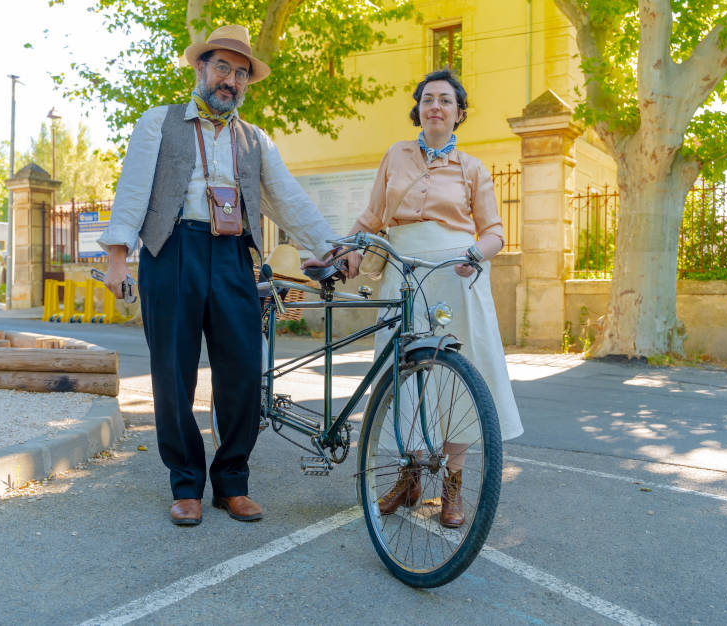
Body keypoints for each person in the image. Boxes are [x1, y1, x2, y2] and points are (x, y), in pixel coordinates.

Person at [98, 25, 341, 527]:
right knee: (172, 374)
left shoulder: (254, 140)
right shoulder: (158, 123)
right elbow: (133, 191)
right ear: (201, 67)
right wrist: (118, 258)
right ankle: (185, 484)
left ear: (247, 83)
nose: (230, 79)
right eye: (223, 67)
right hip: (171, 251)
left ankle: (232, 482)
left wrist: (329, 248)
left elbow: (288, 200)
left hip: (233, 256)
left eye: (241, 73)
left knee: (243, 376)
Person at [346, 68, 524, 528]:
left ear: (459, 113)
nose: (436, 107)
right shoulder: (395, 156)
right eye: (428, 99)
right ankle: (409, 479)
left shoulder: (473, 169)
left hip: (455, 277)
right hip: (402, 276)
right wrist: (341, 248)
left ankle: (452, 486)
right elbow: (370, 217)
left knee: (454, 380)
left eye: (446, 100)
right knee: (403, 378)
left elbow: (495, 233)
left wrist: (474, 254)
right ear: (418, 109)